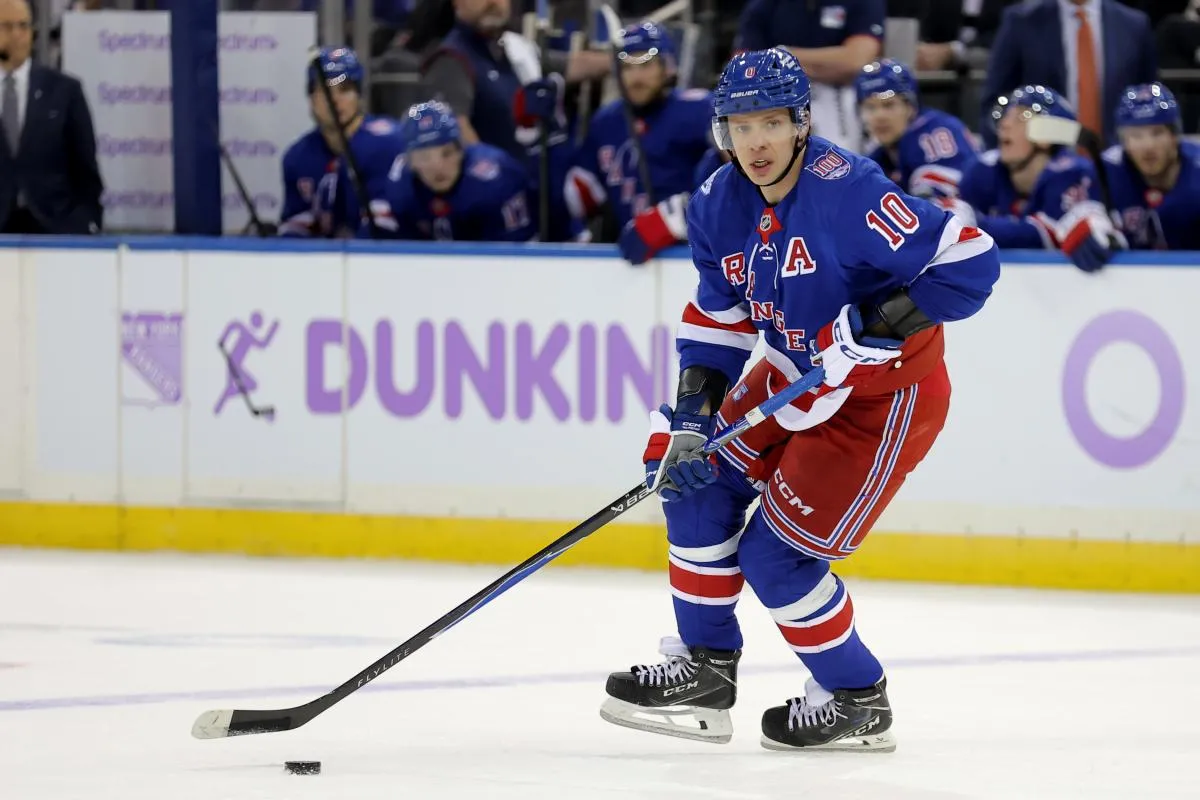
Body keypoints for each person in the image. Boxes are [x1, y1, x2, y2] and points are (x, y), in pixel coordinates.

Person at [599, 47, 1000, 751]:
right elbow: (718, 325)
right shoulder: (717, 202)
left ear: (801, 125)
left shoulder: (851, 192)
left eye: (771, 124)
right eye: (741, 125)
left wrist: (876, 328)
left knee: (774, 558)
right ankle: (703, 669)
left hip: (882, 395)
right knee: (689, 481)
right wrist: (693, 421)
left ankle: (855, 697)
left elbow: (971, 263)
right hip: (793, 368)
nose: (756, 142)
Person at [564, 21, 713, 265]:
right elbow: (576, 197)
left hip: (696, 256)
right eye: (627, 67)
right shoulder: (606, 122)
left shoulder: (700, 110)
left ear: (667, 66)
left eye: (646, 64)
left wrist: (676, 218)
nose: (636, 77)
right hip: (630, 256)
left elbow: (740, 185)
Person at [956, 85, 1123, 272]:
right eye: (1006, 116)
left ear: (1046, 136)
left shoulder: (1071, 173)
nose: (1005, 124)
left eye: (1021, 117)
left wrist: (974, 223)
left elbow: (1041, 235)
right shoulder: (982, 171)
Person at [979, 0, 1157, 146]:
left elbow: (1150, 100)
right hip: (1042, 172)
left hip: (1118, 170)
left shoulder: (1134, 25)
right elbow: (995, 103)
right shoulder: (1021, 22)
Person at [278, 47, 405, 238]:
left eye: (344, 90)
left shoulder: (388, 143)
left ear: (359, 96)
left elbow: (382, 228)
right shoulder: (297, 157)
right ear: (311, 99)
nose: (335, 100)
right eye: (326, 91)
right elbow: (295, 228)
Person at [0, 0, 102, 234]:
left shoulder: (65, 91)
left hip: (55, 230)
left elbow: (86, 171)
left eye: (23, 26)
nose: (17, 35)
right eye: (6, 26)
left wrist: (85, 223)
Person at [374, 99, 536, 241]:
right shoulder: (401, 186)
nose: (437, 166)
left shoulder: (498, 179)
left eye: (447, 153)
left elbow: (518, 256)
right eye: (424, 157)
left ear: (461, 151)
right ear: (409, 162)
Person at [736, 0, 884, 151]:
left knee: (841, 161)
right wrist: (831, 64)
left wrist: (783, 56)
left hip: (843, 99)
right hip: (780, 98)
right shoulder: (764, 5)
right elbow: (745, 68)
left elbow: (857, 61)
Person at [854, 59, 980, 198]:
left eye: (889, 105)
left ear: (911, 107)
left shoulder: (934, 133)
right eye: (870, 107)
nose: (879, 116)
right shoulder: (878, 157)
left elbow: (947, 207)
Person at [1102, 82, 1200, 250]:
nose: (1148, 146)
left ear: (1174, 137)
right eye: (1136, 135)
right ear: (1124, 142)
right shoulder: (1105, 171)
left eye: (1157, 133)